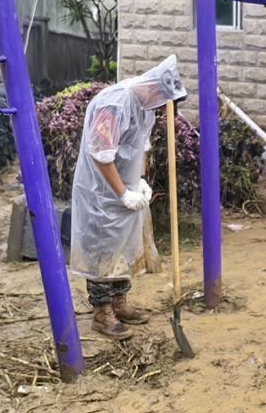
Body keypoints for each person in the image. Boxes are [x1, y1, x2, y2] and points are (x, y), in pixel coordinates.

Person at [70, 56, 186, 339]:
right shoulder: (115, 104)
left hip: (126, 189)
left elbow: (140, 146)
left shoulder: (146, 108)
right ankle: (102, 313)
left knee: (124, 248)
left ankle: (119, 304)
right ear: (154, 89)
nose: (163, 110)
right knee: (102, 250)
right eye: (164, 103)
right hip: (101, 193)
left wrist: (140, 181)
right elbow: (100, 154)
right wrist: (122, 192)